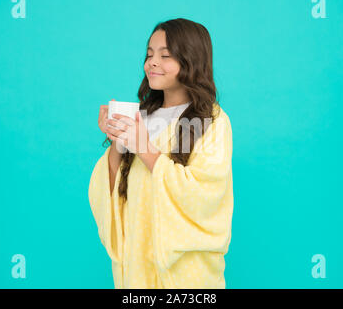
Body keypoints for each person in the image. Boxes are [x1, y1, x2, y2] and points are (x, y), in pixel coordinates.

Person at [88, 18, 234, 288]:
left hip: (185, 277)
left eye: (165, 55)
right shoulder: (142, 117)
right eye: (149, 54)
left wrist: (143, 147)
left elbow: (204, 197)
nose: (152, 62)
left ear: (191, 61)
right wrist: (118, 142)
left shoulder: (209, 120)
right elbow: (110, 192)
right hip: (138, 272)